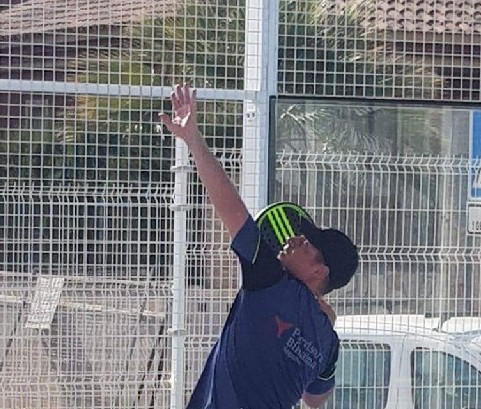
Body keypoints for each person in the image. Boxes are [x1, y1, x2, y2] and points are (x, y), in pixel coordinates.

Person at [159, 84, 359, 409]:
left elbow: (230, 205)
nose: (293, 239)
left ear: (319, 270)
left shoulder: (270, 279)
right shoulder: (328, 343)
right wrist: (320, 327)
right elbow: (315, 398)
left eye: (306, 243)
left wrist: (194, 140)